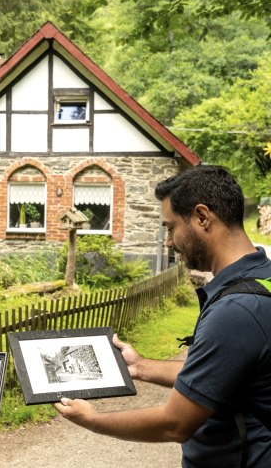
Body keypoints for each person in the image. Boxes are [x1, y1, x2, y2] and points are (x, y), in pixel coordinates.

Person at [54, 165, 271, 467]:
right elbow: (219, 370)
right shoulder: (262, 278)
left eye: (170, 227)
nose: (168, 241)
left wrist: (93, 420)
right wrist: (141, 367)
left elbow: (175, 423)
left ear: (202, 217)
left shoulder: (236, 310)